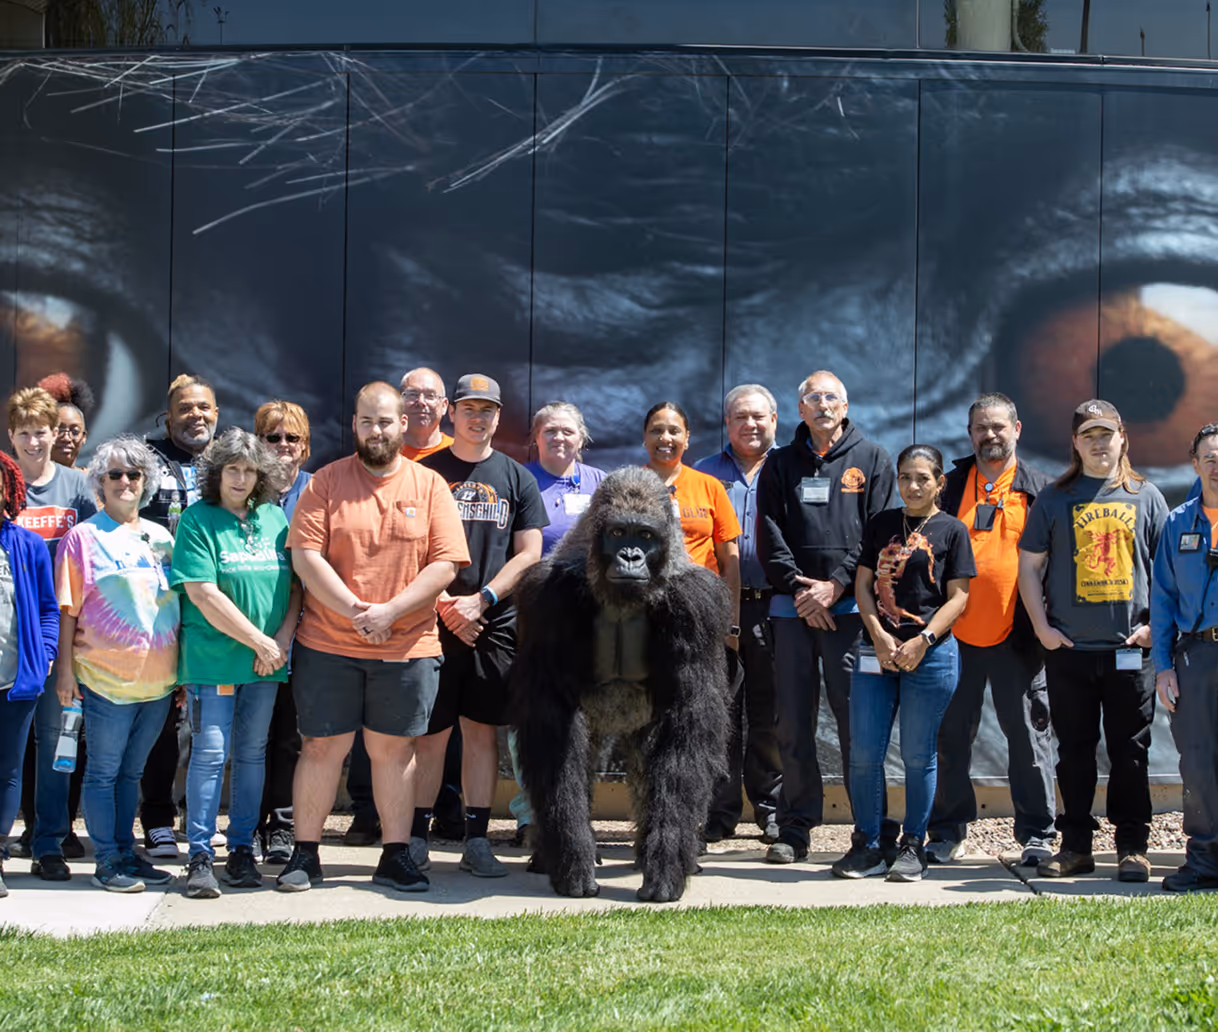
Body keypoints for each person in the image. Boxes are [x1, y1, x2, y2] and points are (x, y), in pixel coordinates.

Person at [281, 381, 469, 893]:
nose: (376, 431)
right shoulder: (326, 482)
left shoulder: (430, 486)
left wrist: (390, 612)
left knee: (396, 751)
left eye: (385, 421)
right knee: (321, 747)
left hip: (407, 646)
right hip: (328, 644)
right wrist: (356, 611)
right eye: (367, 421)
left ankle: (394, 855)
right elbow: (306, 558)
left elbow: (446, 564)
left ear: (402, 424)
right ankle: (305, 855)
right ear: (354, 425)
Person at [1018, 399, 1168, 883]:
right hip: (1072, 653)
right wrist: (1042, 628)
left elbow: (1168, 574)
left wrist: (1156, 628)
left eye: (1106, 434)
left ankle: (1132, 848)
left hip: (1131, 652)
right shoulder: (1054, 498)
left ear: (1122, 437)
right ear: (1075, 443)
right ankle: (1076, 847)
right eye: (1089, 436)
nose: (1099, 444)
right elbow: (1029, 567)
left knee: (1131, 751)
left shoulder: (1147, 497)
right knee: (1074, 753)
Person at [756, 370, 899, 865]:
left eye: (831, 397)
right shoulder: (780, 463)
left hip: (853, 614)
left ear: (845, 406)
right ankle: (795, 828)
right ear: (800, 409)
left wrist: (835, 586)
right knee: (793, 723)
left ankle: (870, 829)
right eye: (813, 398)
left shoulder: (873, 458)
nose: (822, 405)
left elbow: (881, 534)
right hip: (793, 611)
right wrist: (802, 590)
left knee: (857, 723)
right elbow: (768, 531)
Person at [415, 374, 546, 878]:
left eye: (487, 409)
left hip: (492, 623)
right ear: (451, 412)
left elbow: (530, 553)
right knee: (429, 735)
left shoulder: (516, 477)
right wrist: (444, 603)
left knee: (481, 733)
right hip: (431, 620)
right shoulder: (425, 472)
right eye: (468, 408)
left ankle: (476, 840)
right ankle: (416, 838)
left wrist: (482, 600)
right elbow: (406, 547)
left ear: (498, 416)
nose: (477, 417)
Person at [926, 393, 1057, 867]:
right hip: (954, 637)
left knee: (1027, 739)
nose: (990, 435)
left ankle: (1037, 834)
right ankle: (947, 832)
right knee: (949, 739)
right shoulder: (949, 487)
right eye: (981, 428)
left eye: (998, 426)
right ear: (969, 434)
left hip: (1017, 638)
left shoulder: (1040, 490)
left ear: (1016, 429)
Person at [834, 444, 975, 883]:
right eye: (905, 478)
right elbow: (862, 585)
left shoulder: (952, 530)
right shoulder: (881, 524)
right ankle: (869, 844)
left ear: (939, 483)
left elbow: (959, 597)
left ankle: (914, 844)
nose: (912, 486)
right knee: (864, 753)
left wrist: (923, 641)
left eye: (922, 479)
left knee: (918, 755)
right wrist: (877, 635)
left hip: (930, 656)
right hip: (876, 653)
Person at [171, 429, 301, 899]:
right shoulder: (197, 520)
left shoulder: (274, 518)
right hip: (214, 661)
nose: (241, 479)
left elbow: (295, 587)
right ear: (216, 473)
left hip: (266, 664)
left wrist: (279, 642)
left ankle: (243, 848)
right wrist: (260, 642)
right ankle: (200, 855)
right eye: (232, 469)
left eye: (249, 470)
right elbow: (203, 593)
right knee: (210, 755)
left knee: (251, 755)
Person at [55, 435, 180, 892]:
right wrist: (64, 671)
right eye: (115, 474)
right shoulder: (83, 538)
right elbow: (68, 610)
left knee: (132, 773)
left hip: (159, 681)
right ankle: (106, 861)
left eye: (134, 474)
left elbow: (176, 606)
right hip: (104, 679)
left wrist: (181, 674)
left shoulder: (162, 537)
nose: (125, 482)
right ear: (99, 482)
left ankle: (127, 853)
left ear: (146, 482)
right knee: (103, 772)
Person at [507, 401, 607, 843]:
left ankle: (575, 814)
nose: (559, 438)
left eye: (567, 431)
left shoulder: (601, 484)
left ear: (582, 438)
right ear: (535, 437)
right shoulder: (519, 479)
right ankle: (530, 813)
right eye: (550, 431)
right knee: (531, 715)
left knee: (586, 719)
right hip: (532, 616)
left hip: (589, 619)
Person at [7, 386, 96, 878]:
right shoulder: (6, 484)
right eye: (24, 433)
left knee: (57, 743)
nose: (34, 442)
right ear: (11, 436)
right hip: (11, 637)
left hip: (60, 635)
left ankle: (50, 842)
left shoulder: (77, 487)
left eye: (41, 432)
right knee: (11, 750)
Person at [694, 385, 784, 843]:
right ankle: (719, 811)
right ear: (726, 423)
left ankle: (771, 808)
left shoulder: (789, 469)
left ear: (774, 420)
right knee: (718, 713)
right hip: (716, 608)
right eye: (740, 417)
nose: (750, 424)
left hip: (774, 606)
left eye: (758, 416)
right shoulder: (703, 472)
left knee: (770, 713)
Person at [139, 374, 221, 861]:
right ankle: (156, 818)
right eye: (186, 408)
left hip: (213, 610)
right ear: (168, 418)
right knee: (165, 717)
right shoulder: (146, 460)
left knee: (208, 717)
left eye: (204, 408)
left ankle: (199, 817)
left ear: (217, 413)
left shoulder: (227, 461)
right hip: (159, 609)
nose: (197, 416)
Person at [1152, 423, 1218, 893]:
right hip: (1196, 656)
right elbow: (1162, 601)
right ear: (1194, 464)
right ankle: (1204, 859)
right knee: (1197, 761)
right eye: (1209, 458)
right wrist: (1162, 666)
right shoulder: (1178, 524)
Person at [253, 399, 313, 864]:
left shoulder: (319, 490)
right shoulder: (242, 489)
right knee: (251, 738)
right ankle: (250, 825)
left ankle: (282, 826)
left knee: (291, 736)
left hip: (308, 636)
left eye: (292, 437)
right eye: (273, 437)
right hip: (251, 635)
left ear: (305, 446)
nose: (283, 445)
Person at [0, 453, 60, 900]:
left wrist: (46, 654)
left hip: (14, 682)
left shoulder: (27, 545)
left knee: (7, 772)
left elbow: (46, 608)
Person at [37, 373, 94, 471]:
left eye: (75, 431)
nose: (66, 438)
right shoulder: (26, 478)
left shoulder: (91, 479)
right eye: (59, 430)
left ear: (84, 437)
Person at [400, 368, 453, 461]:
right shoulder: (385, 453)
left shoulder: (459, 452)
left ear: (444, 406)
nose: (421, 402)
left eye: (430, 396)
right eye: (412, 394)